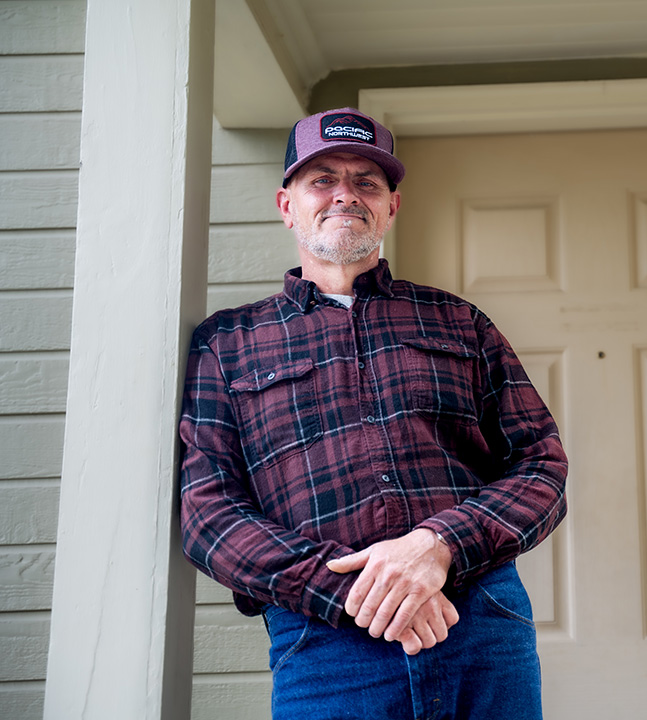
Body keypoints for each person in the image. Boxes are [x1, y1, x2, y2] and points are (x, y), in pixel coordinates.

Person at [178, 107, 568, 719]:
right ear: (287, 204)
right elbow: (208, 517)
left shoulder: (459, 323)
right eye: (322, 180)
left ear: (392, 206)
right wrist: (357, 590)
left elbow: (541, 465)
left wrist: (438, 545)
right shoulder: (226, 344)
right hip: (325, 645)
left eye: (367, 181)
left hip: (480, 625)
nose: (345, 195)